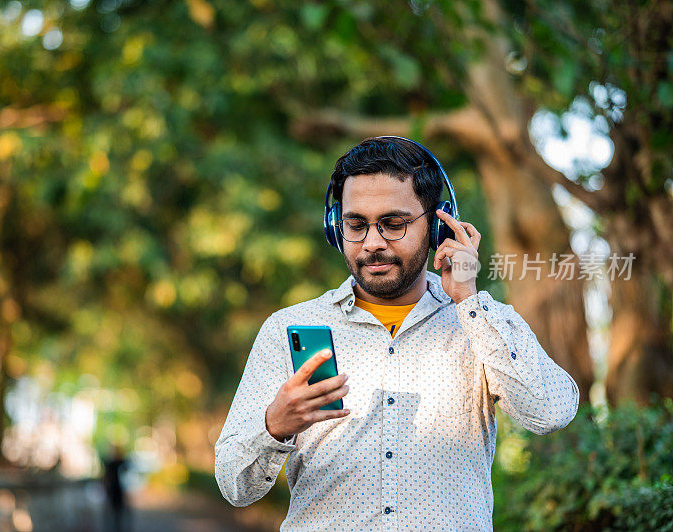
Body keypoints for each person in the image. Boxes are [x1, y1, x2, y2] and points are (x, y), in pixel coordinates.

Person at [214, 136, 579, 531]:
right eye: (356, 225)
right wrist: (275, 426)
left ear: (440, 225)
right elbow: (235, 486)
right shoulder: (285, 329)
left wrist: (469, 302)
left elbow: (551, 412)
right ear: (336, 228)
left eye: (393, 224)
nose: (372, 243)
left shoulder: (480, 324)